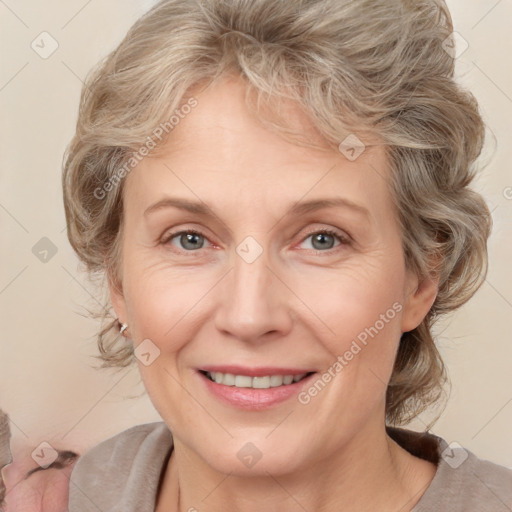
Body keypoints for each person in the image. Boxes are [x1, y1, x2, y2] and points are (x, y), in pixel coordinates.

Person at [61, 0, 512, 510]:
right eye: (189, 238)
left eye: (323, 239)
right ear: (117, 280)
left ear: (421, 277)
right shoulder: (79, 491)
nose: (250, 317)